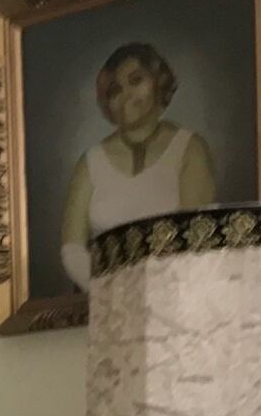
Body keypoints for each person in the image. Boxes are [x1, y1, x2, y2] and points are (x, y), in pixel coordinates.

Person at [60, 41, 215, 290]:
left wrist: (151, 292)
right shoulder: (90, 162)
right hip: (108, 307)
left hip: (175, 301)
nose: (127, 96)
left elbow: (196, 236)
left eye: (136, 80)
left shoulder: (190, 149)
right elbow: (72, 248)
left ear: (158, 81)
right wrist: (110, 292)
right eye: (115, 90)